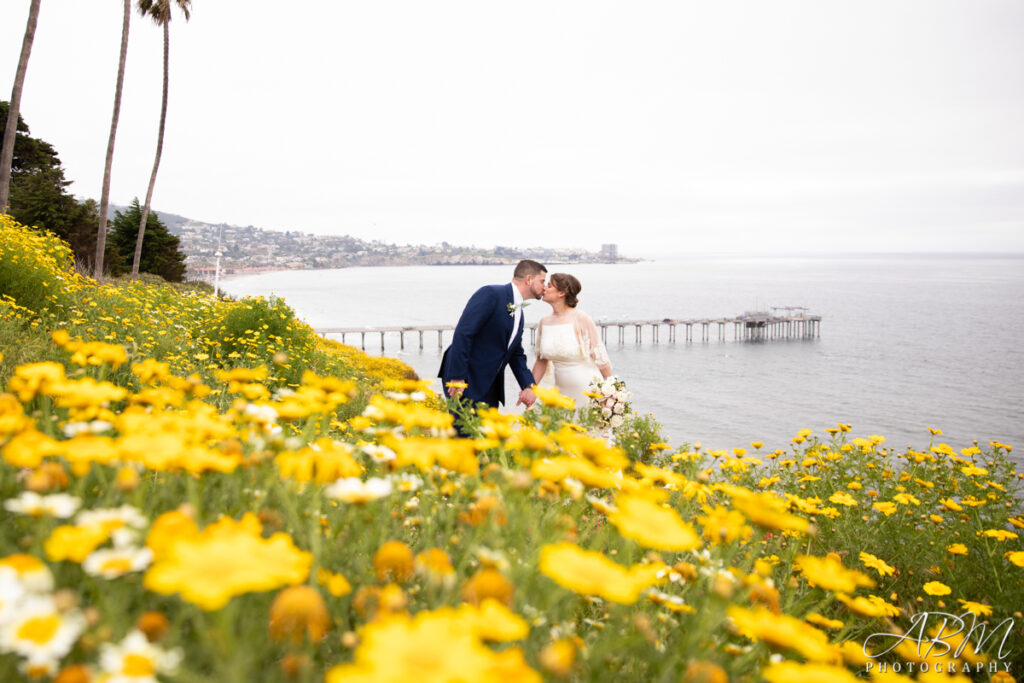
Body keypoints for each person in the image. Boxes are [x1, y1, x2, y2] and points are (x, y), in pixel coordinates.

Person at [438, 259, 547, 412]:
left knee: (485, 434)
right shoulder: (491, 294)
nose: (545, 287)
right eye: (542, 281)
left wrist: (529, 385)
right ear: (529, 279)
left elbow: (516, 353)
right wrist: (457, 377)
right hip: (466, 378)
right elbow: (464, 332)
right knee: (463, 432)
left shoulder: (519, 313)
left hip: (490, 385)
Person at [531, 273, 613, 406]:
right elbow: (541, 361)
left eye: (549, 285)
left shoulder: (581, 318)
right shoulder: (544, 321)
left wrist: (611, 392)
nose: (544, 288)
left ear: (562, 293)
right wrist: (531, 389)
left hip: (587, 389)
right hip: (559, 392)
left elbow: (600, 357)